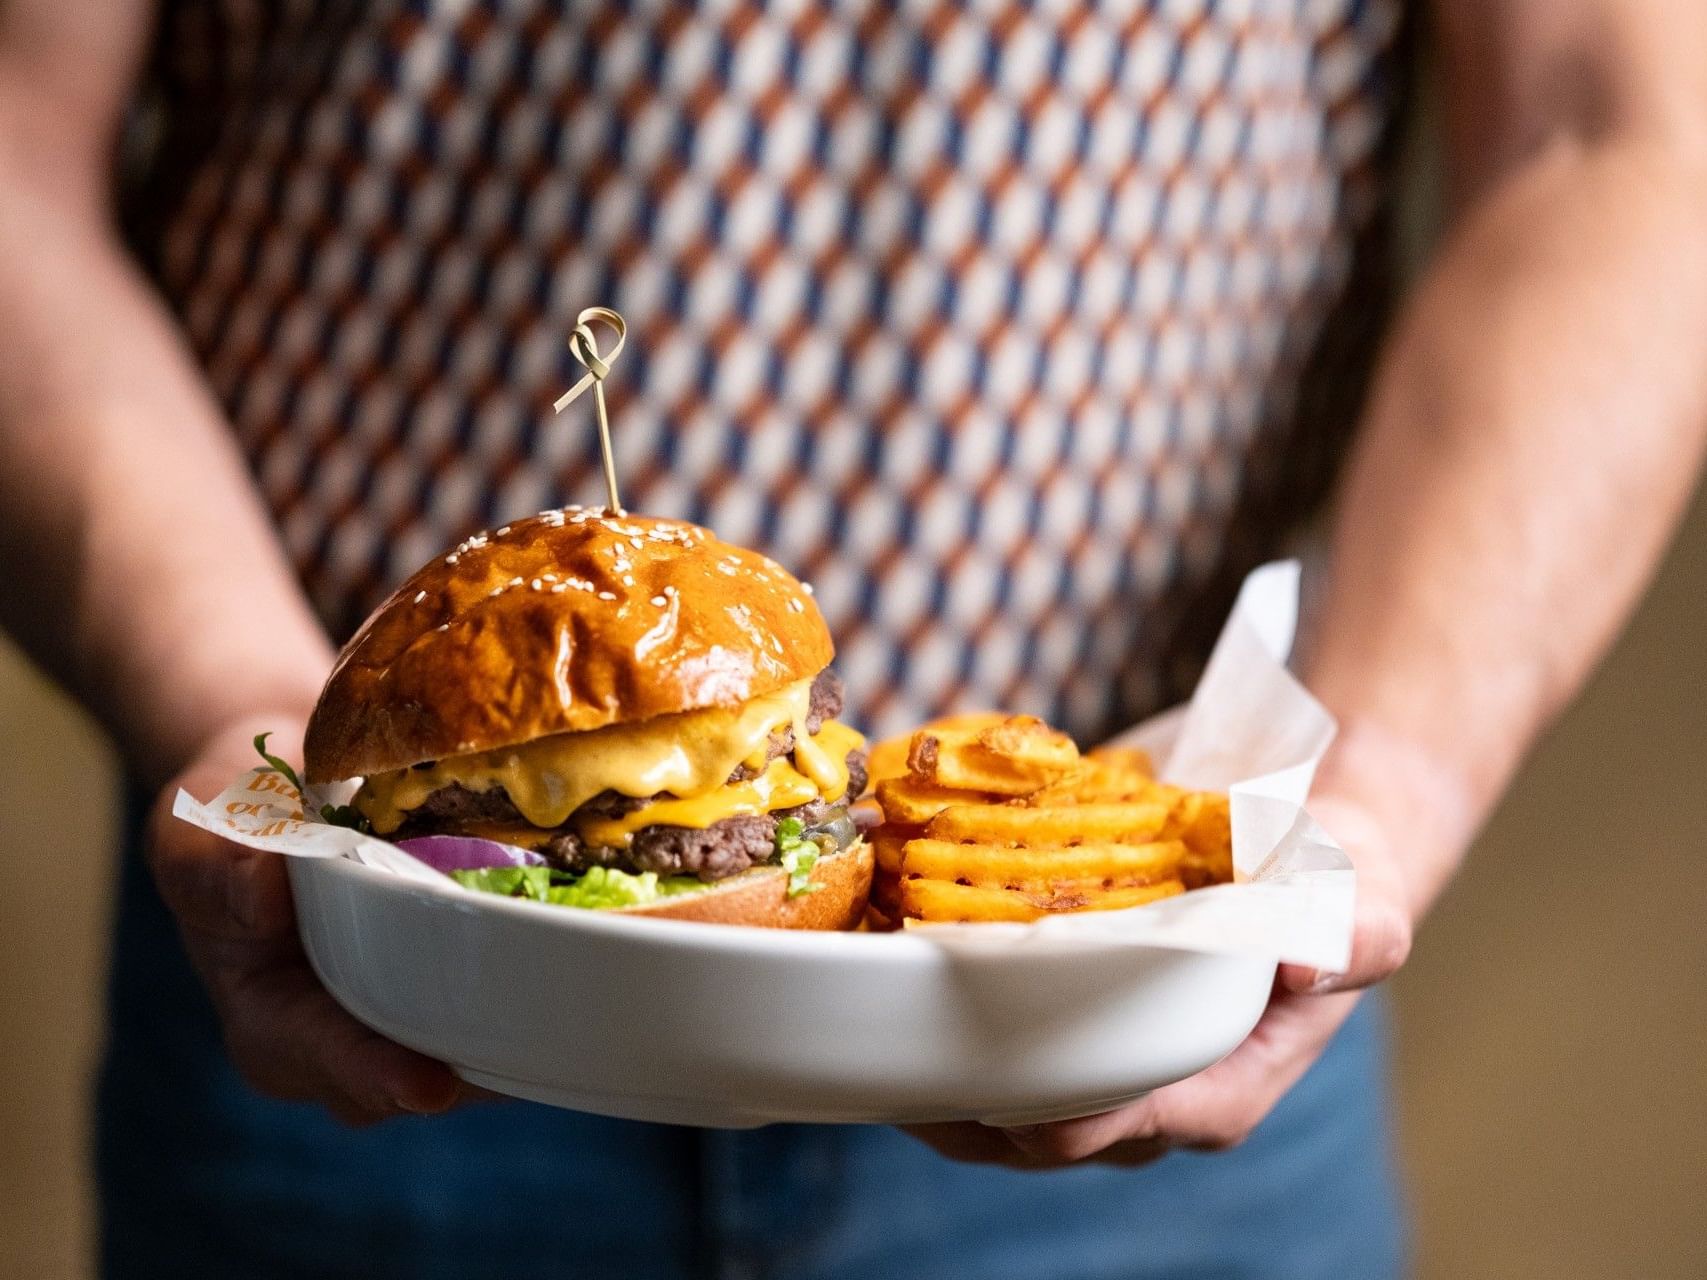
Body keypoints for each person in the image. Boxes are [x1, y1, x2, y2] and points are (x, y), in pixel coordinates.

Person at [1, 1, 1703, 1276]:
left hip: (1167, 979)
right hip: (356, 1007)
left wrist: (1363, 807)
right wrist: (234, 711)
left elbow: (1613, 134)